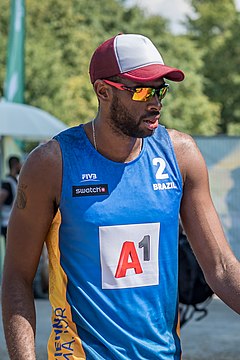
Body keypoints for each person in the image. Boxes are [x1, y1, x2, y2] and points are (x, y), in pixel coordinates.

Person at [1, 33, 240, 360]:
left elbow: (222, 269)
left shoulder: (181, 155)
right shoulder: (51, 164)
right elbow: (16, 277)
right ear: (103, 92)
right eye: (142, 90)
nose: (155, 102)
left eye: (160, 90)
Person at [0, 156, 21, 241]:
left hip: (13, 223)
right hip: (8, 223)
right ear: (15, 165)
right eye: (19, 164)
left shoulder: (14, 181)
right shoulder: (8, 183)